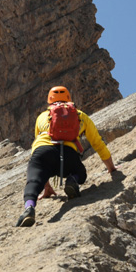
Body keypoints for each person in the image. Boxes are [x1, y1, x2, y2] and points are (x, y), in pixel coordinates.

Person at [15, 86, 117, 227]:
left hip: (43, 152)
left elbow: (36, 145)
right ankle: (72, 180)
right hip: (68, 155)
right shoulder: (80, 115)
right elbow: (97, 143)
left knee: (33, 181)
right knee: (80, 172)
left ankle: (29, 208)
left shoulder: (42, 117)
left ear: (49, 100)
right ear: (69, 98)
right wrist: (111, 168)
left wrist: (46, 186)